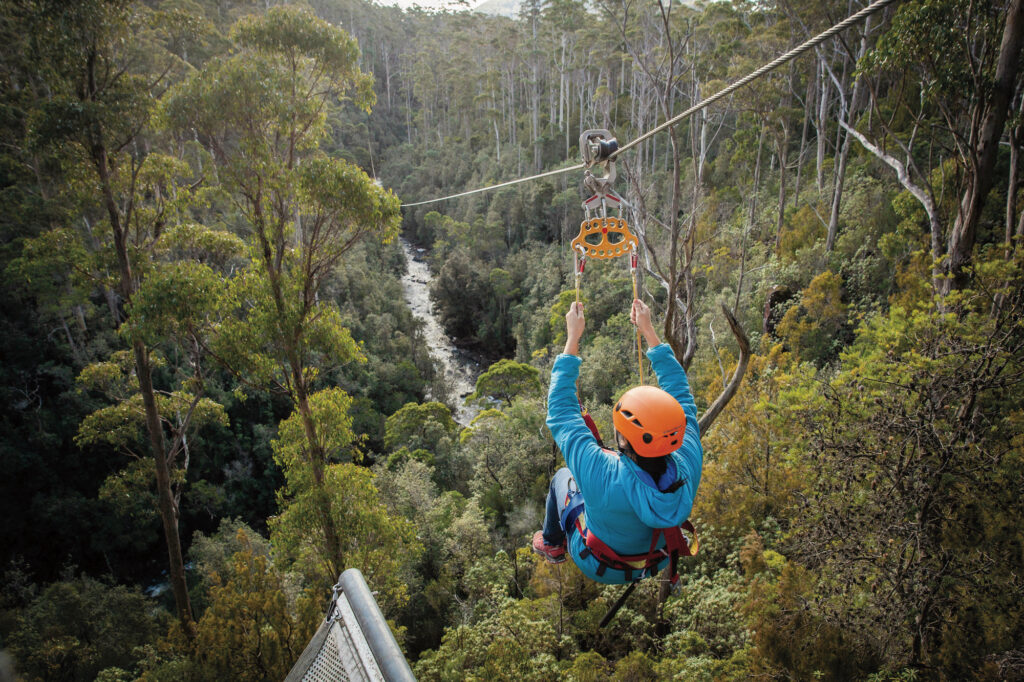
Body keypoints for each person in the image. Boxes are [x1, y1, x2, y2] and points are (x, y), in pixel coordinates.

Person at [532, 299, 702, 584]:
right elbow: (681, 395)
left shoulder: (602, 472)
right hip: (654, 560)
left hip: (598, 562)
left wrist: (573, 336)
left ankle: (553, 543)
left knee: (563, 476)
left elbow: (561, 411)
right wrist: (649, 331)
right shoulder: (688, 455)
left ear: (622, 440)